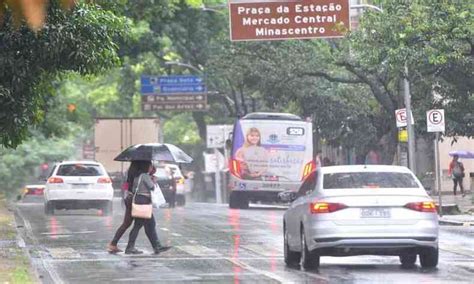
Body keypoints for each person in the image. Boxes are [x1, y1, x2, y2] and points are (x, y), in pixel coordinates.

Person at [125, 162, 170, 254]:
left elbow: (133, 189)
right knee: (138, 225)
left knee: (149, 224)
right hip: (143, 202)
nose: (151, 168)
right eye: (150, 166)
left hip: (139, 200)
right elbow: (152, 187)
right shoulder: (145, 176)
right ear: (146, 167)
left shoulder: (137, 176)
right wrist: (154, 180)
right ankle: (130, 247)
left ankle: (156, 246)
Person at [107, 161, 142, 253]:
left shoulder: (130, 171)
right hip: (135, 200)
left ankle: (113, 244)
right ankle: (129, 247)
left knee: (127, 223)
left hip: (129, 198)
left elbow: (126, 185)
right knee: (137, 224)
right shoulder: (139, 175)